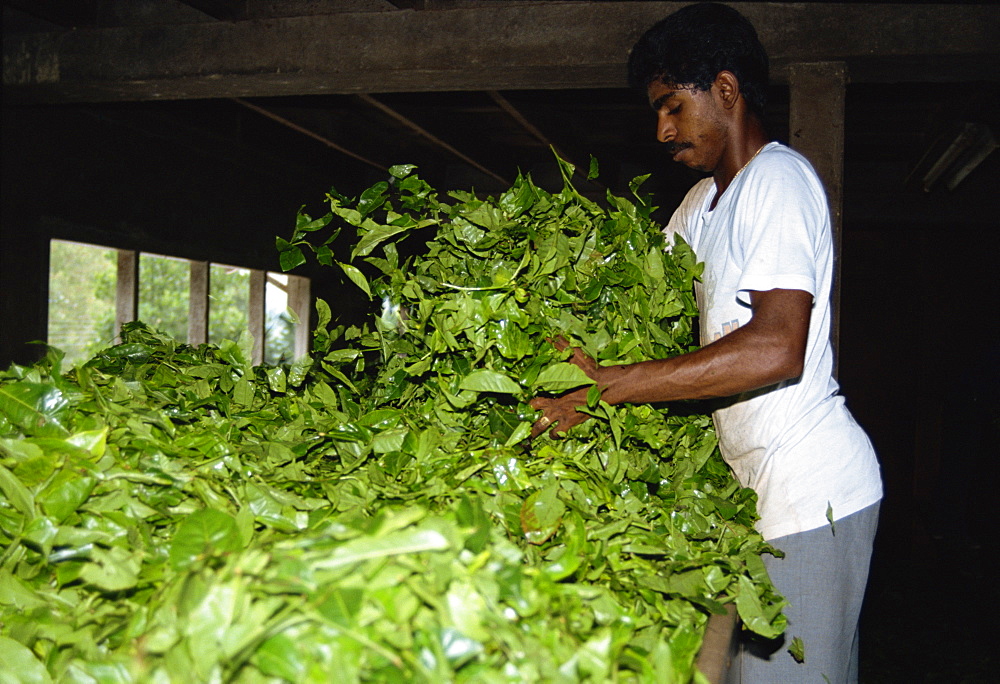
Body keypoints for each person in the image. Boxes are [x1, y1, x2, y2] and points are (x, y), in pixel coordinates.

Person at [529, 4, 883, 682]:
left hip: (812, 496)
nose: (660, 129)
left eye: (671, 107)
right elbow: (635, 294)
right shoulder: (700, 206)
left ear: (726, 90)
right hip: (756, 494)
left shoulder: (777, 182)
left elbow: (775, 346)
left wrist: (608, 384)